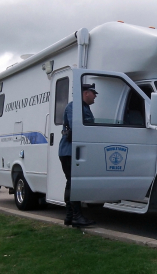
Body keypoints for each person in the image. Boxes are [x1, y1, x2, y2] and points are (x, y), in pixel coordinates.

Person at [59, 83, 98, 228]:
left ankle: (70, 217)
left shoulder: (84, 107)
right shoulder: (74, 106)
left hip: (73, 151)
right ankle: (76, 217)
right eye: (94, 93)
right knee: (73, 183)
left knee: (71, 183)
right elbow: (78, 128)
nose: (95, 96)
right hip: (69, 151)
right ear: (86, 93)